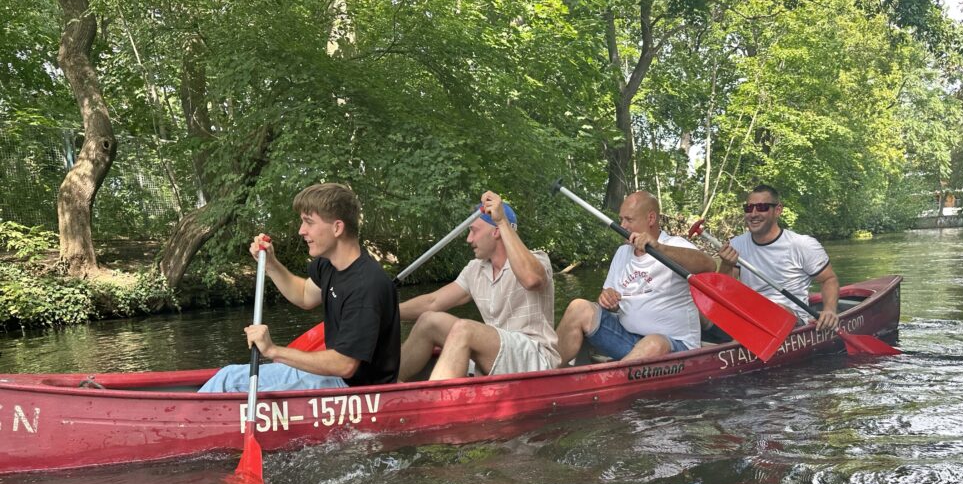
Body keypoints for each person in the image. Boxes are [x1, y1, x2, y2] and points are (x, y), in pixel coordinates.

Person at [199, 182, 400, 393]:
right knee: (227, 376)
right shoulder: (329, 264)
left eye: (308, 222)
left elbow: (345, 365)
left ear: (337, 228)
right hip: (334, 376)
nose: (301, 231)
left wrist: (273, 350)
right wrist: (271, 264)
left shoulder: (365, 285)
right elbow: (304, 295)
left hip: (353, 388)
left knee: (229, 384)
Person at [398, 190, 558, 381]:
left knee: (464, 329)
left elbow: (532, 279)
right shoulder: (475, 269)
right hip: (495, 355)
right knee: (428, 321)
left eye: (474, 231)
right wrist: (384, 311)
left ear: (496, 231)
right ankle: (386, 388)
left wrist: (501, 220)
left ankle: (434, 406)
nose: (469, 239)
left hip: (535, 359)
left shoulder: (538, 259)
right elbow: (433, 302)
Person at [555, 190, 714, 365]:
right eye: (621, 219)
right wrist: (607, 300)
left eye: (629, 220)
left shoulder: (674, 245)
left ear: (651, 219)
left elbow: (709, 266)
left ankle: (607, 384)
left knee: (654, 343)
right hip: (628, 341)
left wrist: (659, 248)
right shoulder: (623, 252)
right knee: (579, 307)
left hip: (674, 347)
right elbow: (611, 305)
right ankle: (545, 374)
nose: (622, 225)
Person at [716, 184, 839, 332]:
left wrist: (829, 310)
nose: (753, 214)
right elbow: (722, 291)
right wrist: (726, 264)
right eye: (748, 208)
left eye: (761, 207)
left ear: (778, 210)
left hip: (791, 318)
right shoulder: (736, 244)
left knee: (773, 309)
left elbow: (828, 279)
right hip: (749, 315)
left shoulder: (802, 244)